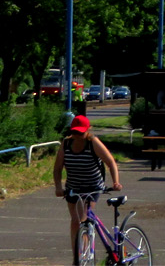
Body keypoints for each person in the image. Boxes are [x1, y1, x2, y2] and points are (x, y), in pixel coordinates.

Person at [53, 114, 122, 266]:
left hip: (92, 186)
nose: (78, 136)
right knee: (75, 221)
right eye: (75, 132)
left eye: (81, 132)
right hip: (73, 186)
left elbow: (111, 162)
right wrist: (58, 187)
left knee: (83, 218)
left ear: (88, 130)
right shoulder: (66, 144)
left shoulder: (93, 143)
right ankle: (77, 257)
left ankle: (84, 255)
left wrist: (115, 182)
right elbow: (57, 168)